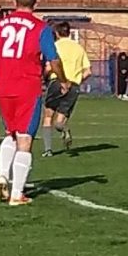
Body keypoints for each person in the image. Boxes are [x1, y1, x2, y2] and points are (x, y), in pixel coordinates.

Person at [0, 0, 67, 207]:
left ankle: (3, 174)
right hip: (27, 86)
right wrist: (63, 80)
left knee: (10, 133)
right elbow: (53, 59)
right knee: (25, 139)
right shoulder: (40, 27)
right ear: (35, 4)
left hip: (3, 86)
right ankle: (17, 194)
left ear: (14, 2)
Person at [41, 22, 91, 157]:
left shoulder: (54, 46)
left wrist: (43, 77)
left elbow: (49, 67)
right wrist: (77, 80)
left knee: (47, 116)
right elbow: (88, 71)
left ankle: (48, 150)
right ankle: (63, 128)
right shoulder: (79, 48)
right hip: (73, 85)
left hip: (56, 82)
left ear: (56, 33)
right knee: (59, 121)